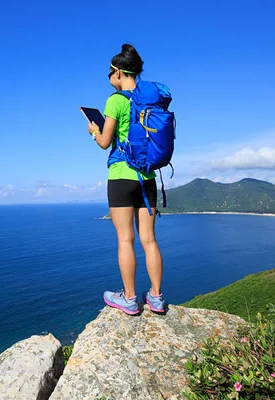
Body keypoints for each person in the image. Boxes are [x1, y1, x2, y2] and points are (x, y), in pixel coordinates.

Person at [87, 44, 165, 315]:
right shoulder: (150, 101)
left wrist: (93, 131)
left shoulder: (115, 100)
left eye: (110, 72)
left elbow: (105, 142)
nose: (109, 77)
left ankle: (130, 299)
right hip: (147, 176)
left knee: (124, 240)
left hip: (121, 176)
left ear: (118, 72)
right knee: (149, 240)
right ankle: (156, 298)